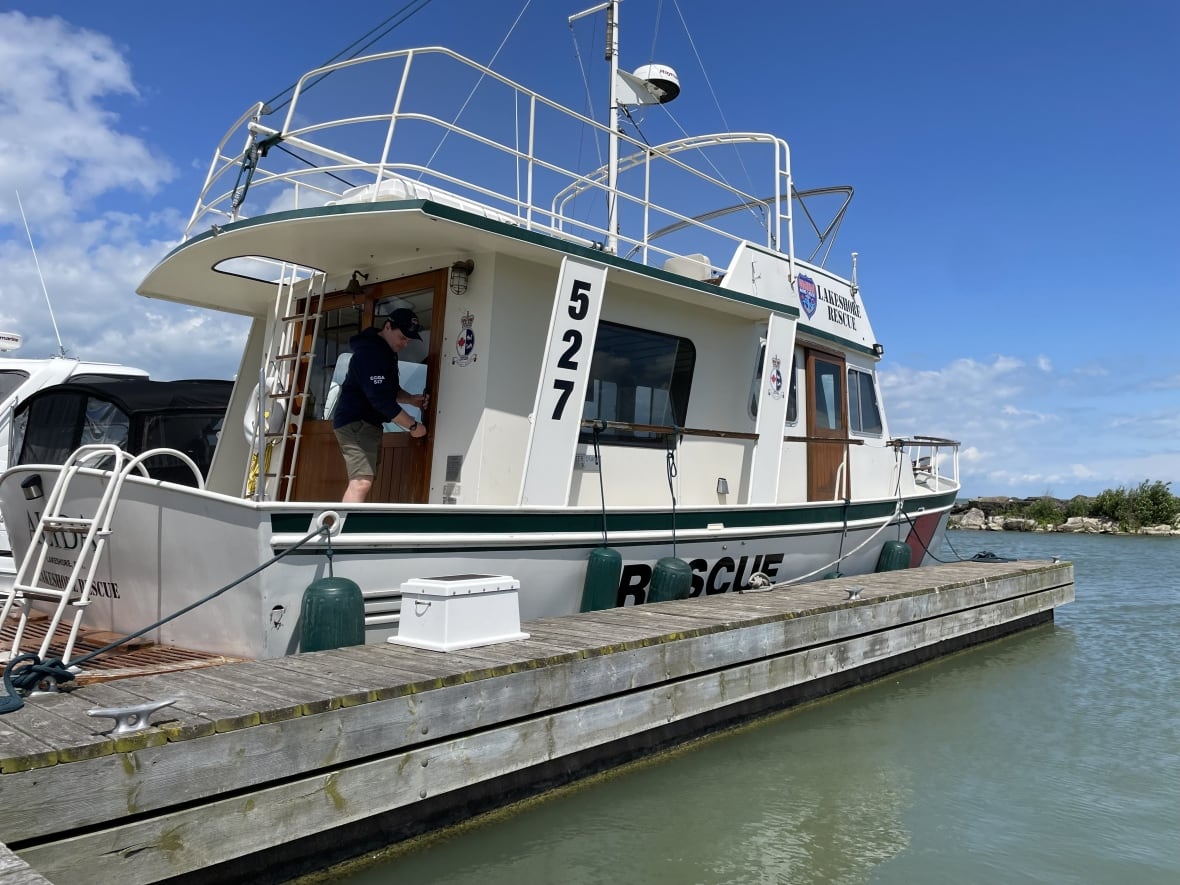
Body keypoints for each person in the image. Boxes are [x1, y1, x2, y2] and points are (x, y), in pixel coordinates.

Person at [332, 308, 429, 503]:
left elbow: (388, 391)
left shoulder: (384, 352)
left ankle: (345, 528)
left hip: (365, 424)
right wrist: (413, 426)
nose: (405, 343)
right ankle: (341, 531)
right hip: (357, 423)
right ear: (387, 326)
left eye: (408, 340)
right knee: (361, 481)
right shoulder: (371, 354)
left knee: (363, 479)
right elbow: (381, 400)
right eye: (402, 337)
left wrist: (410, 399)